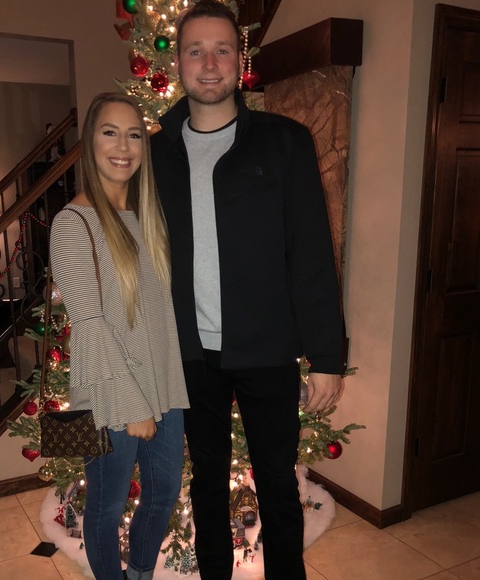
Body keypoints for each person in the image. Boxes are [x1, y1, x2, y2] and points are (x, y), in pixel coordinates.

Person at [150, 2, 344, 579]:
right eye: (196, 51)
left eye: (222, 50)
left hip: (267, 351)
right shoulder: (154, 152)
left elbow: (311, 254)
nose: (209, 64)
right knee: (206, 484)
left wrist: (327, 356)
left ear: (240, 60)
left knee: (279, 486)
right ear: (178, 62)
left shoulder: (285, 142)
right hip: (190, 356)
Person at [50, 92, 189, 580]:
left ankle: (141, 572)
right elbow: (90, 324)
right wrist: (133, 408)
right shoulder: (72, 223)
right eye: (110, 132)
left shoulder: (150, 217)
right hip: (109, 393)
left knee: (164, 492)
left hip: (162, 387)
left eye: (134, 135)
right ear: (90, 142)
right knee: (106, 508)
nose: (124, 146)